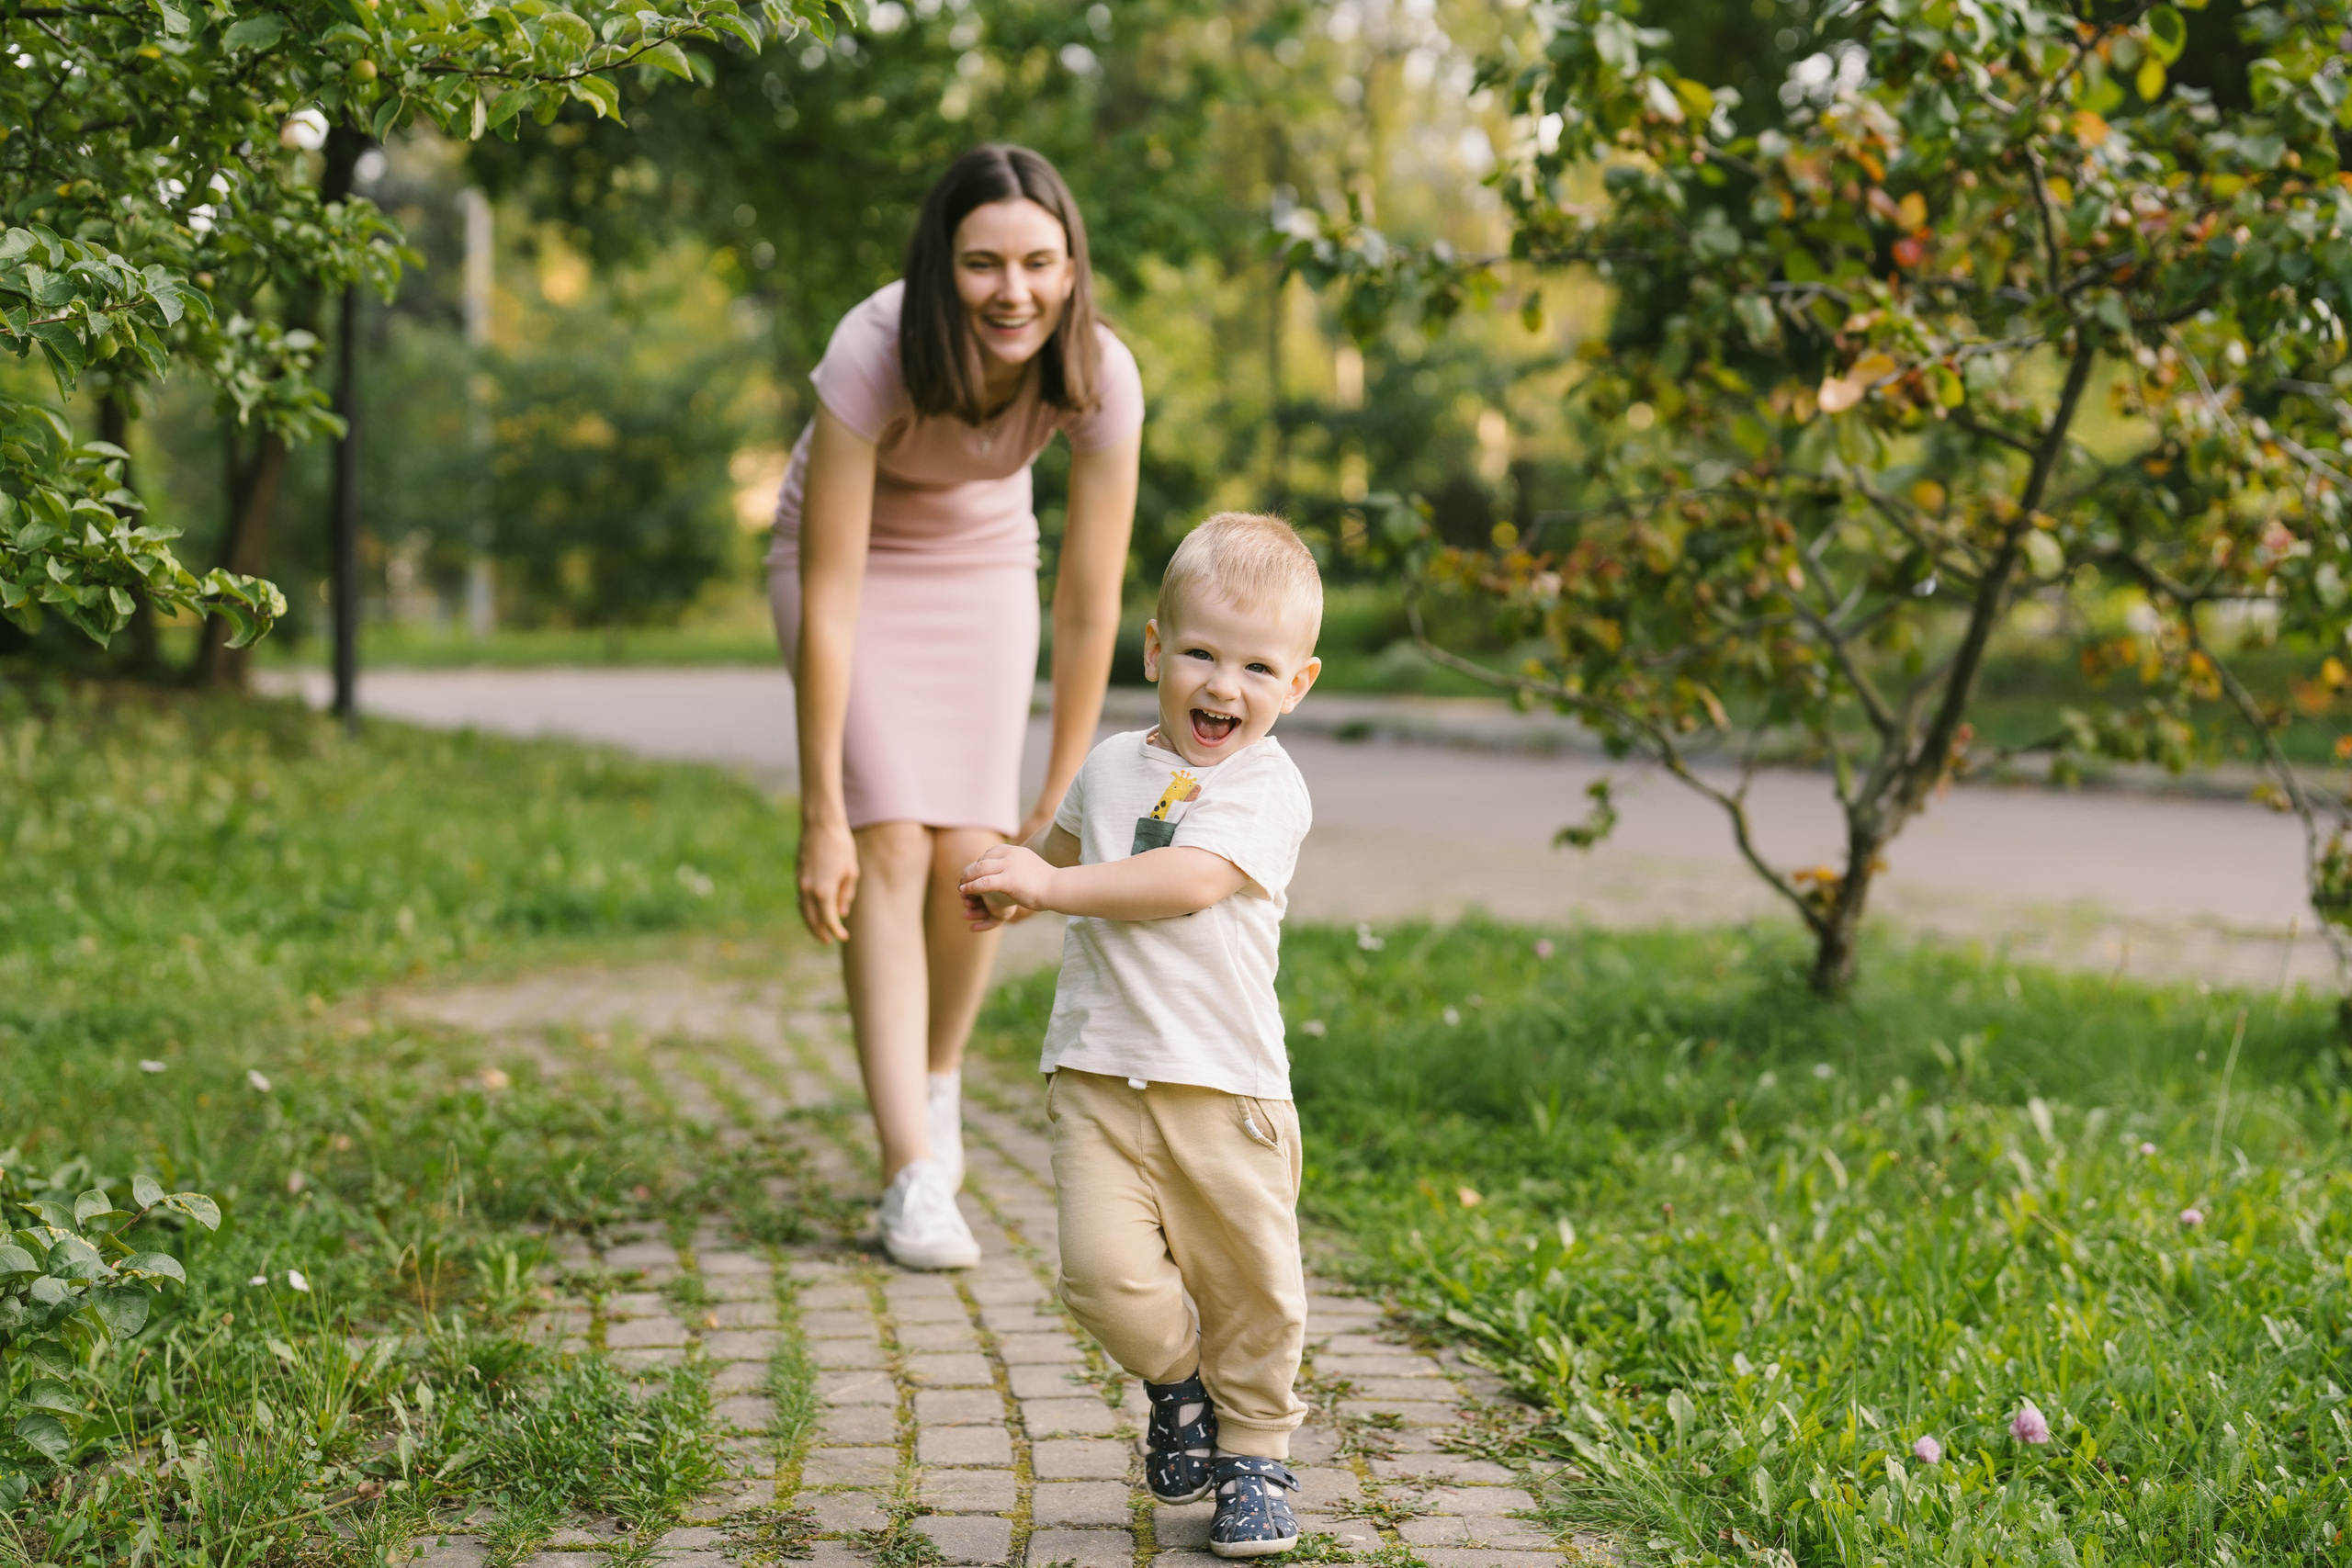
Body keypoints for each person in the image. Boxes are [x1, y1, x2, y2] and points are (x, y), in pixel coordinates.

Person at [771, 145, 1143, 1269]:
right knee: (890, 841)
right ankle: (909, 1177)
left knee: (974, 858)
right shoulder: (872, 347)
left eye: (1039, 262)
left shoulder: (1100, 374)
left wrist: (1059, 793)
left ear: (1073, 269)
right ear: (942, 266)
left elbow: (1087, 609)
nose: (1013, 291)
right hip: (848, 565)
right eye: (983, 263)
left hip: (983, 570)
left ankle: (933, 1086)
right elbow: (830, 593)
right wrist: (821, 808)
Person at [957, 513, 1323, 1559]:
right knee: (1099, 1273)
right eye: (1201, 653)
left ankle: (1254, 1454)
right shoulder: (1113, 764)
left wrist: (1055, 885)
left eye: (1257, 667)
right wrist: (1012, 884)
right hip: (1096, 1070)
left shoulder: (1263, 785)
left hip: (1224, 1084)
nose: (1224, 687)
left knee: (1249, 1281)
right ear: (1155, 649)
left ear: (1295, 685)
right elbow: (1063, 852)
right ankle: (1178, 1387)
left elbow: (1184, 884)